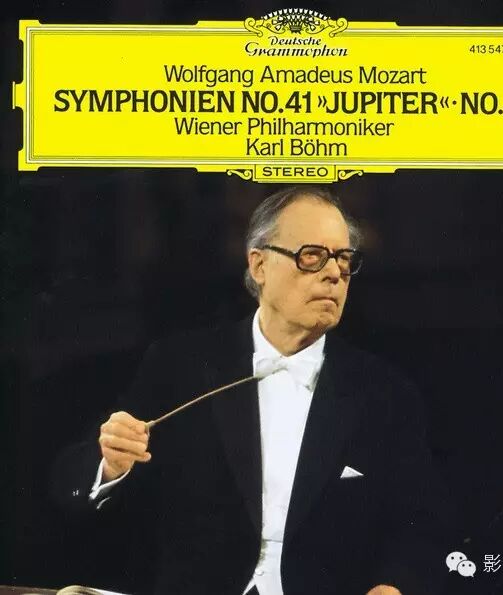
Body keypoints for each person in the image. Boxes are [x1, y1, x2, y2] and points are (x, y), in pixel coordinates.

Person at [54, 186, 452, 595]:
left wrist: (393, 586)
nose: (334, 273)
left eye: (344, 258)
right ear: (259, 265)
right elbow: (70, 483)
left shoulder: (384, 393)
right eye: (312, 255)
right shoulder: (180, 366)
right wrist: (111, 465)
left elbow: (422, 527)